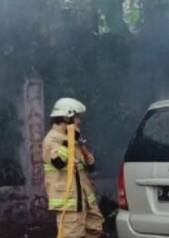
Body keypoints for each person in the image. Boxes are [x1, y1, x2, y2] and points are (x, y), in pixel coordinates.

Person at [43, 97, 104, 238]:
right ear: (67, 117)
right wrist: (69, 141)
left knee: (94, 228)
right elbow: (58, 162)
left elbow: (84, 167)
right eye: (77, 117)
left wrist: (89, 161)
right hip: (69, 202)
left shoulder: (72, 138)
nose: (79, 121)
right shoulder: (52, 139)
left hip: (84, 198)